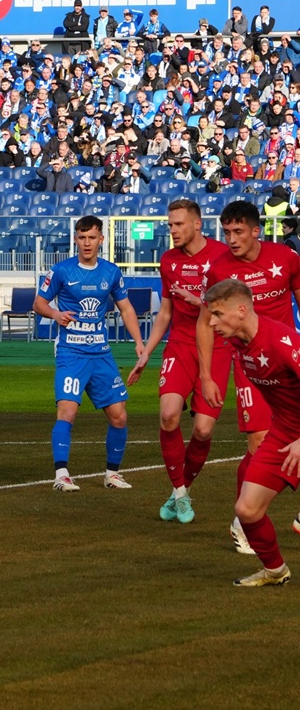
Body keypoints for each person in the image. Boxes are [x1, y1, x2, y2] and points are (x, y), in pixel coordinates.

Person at [194, 201, 300, 553]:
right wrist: (206, 376)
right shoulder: (220, 268)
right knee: (258, 440)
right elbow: (206, 322)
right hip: (251, 365)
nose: (231, 239)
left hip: (289, 359)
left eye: (238, 231)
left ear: (257, 230)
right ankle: (243, 519)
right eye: (226, 232)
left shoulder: (285, 257)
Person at [127, 200, 232, 524]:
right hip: (180, 345)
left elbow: (234, 309)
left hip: (217, 348)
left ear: (197, 225)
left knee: (202, 431)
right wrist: (146, 353)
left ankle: (179, 491)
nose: (172, 230)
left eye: (178, 224)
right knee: (169, 415)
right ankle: (181, 493)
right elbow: (166, 312)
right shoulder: (169, 260)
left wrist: (201, 302)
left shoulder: (221, 257)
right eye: (170, 225)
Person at [34, 216, 145, 491]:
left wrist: (139, 342)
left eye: (92, 237)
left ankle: (112, 474)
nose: (87, 243)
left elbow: (126, 308)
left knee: (119, 415)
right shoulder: (61, 271)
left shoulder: (111, 272)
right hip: (71, 353)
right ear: (75, 239)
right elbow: (38, 302)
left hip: (101, 354)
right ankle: (61, 475)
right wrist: (55, 313)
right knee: (67, 411)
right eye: (82, 238)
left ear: (101, 240)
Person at [202, 280, 300, 586]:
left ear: (241, 310)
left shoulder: (282, 341)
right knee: (246, 509)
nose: (212, 322)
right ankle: (275, 571)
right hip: (285, 432)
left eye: (217, 314)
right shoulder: (240, 340)